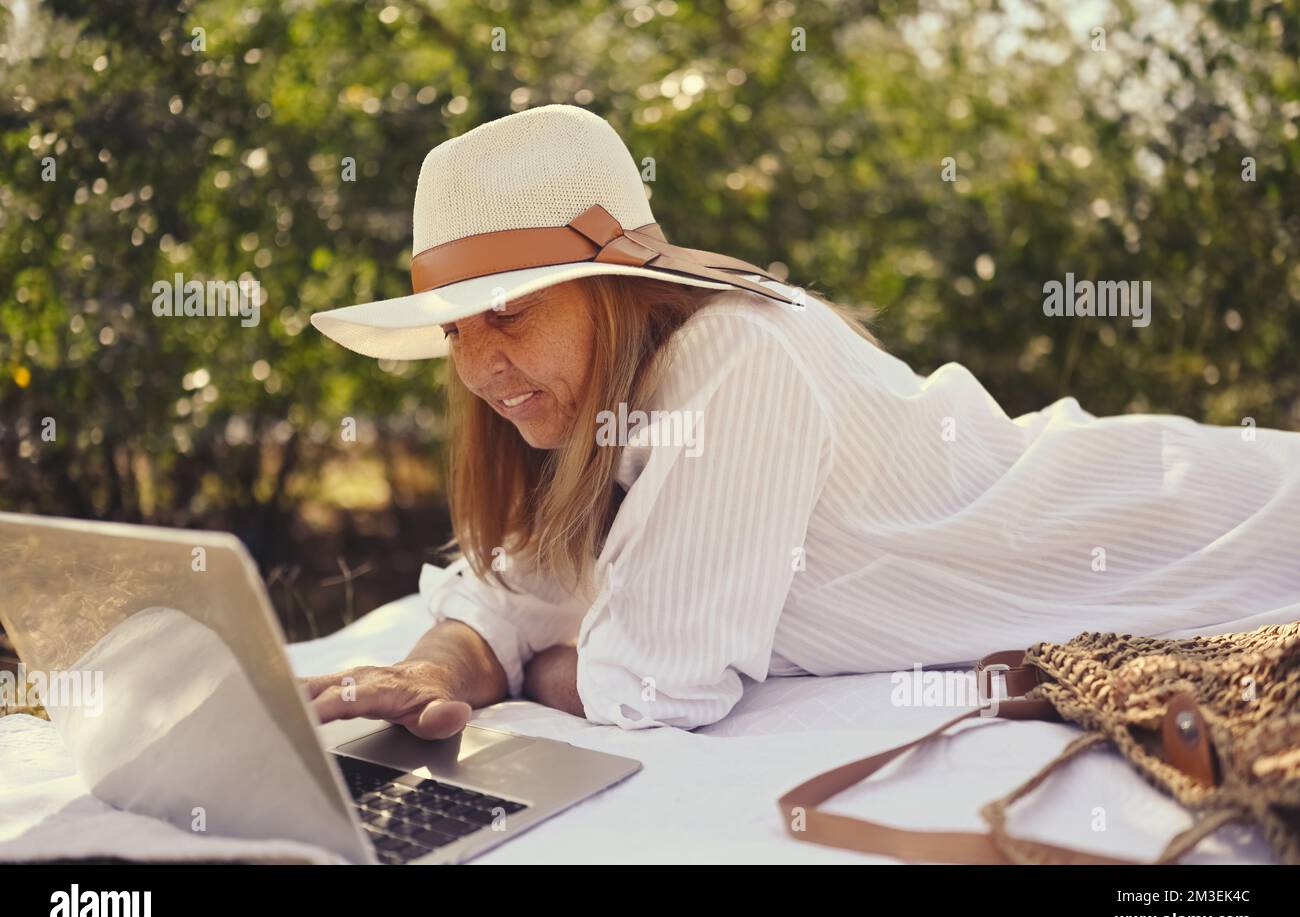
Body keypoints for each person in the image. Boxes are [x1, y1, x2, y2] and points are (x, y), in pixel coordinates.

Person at [304, 104, 1300, 738]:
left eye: (510, 312)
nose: (477, 365)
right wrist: (438, 663)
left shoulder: (731, 362)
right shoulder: (609, 407)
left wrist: (533, 671)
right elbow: (517, 584)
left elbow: (655, 691)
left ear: (610, 294)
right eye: (454, 333)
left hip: (1222, 523)